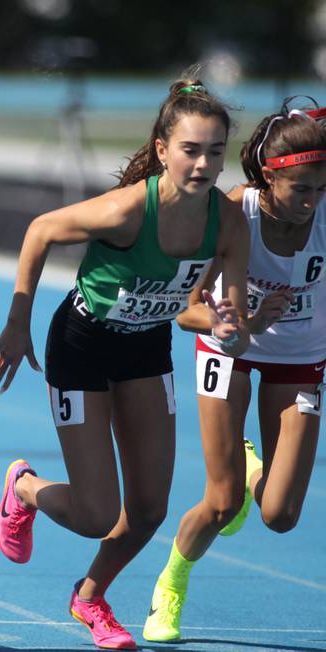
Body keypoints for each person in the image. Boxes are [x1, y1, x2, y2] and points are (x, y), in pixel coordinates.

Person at [0, 75, 249, 650]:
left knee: (150, 508)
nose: (203, 164)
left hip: (145, 349)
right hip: (82, 346)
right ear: (162, 150)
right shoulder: (132, 209)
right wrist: (16, 321)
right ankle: (25, 489)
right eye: (190, 150)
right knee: (96, 514)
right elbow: (40, 231)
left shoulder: (228, 224)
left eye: (214, 152)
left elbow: (202, 314)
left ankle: (89, 598)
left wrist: (230, 324)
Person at [144, 101, 326, 643]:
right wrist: (233, 324)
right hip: (227, 351)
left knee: (280, 515)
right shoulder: (231, 213)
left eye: (320, 189)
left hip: (299, 360)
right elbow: (185, 309)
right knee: (222, 504)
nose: (311, 202)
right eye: (301, 190)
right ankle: (169, 588)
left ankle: (254, 471)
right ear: (268, 179)